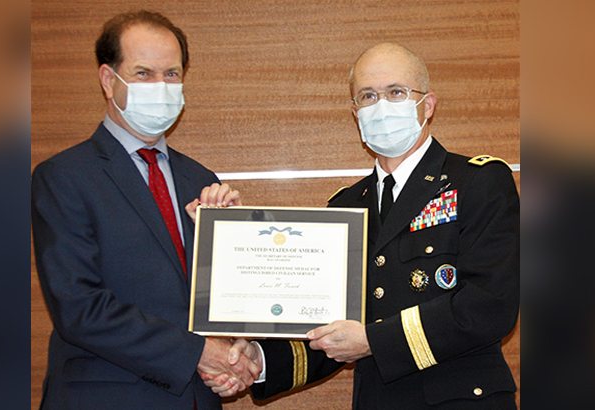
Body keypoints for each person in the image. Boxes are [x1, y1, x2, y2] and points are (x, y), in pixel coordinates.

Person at [205, 43, 520, 409]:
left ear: (428, 104)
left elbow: (489, 306)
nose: (381, 106)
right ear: (355, 112)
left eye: (396, 92)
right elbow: (328, 324)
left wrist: (374, 340)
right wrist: (258, 362)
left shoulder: (477, 182)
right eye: (368, 96)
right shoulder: (345, 206)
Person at [31, 11, 258, 410]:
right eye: (143, 73)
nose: (161, 86)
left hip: (196, 398)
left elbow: (217, 302)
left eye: (171, 74)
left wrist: (234, 242)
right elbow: (79, 307)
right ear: (108, 80)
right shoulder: (63, 177)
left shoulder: (200, 179)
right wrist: (199, 353)